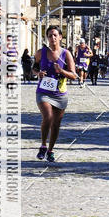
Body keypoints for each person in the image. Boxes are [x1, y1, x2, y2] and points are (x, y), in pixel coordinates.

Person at [33, 26, 77, 163]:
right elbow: (33, 68)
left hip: (60, 94)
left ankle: (51, 150)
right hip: (43, 91)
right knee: (48, 117)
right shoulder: (41, 52)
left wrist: (61, 72)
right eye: (50, 35)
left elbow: (74, 75)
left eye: (55, 35)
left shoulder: (66, 54)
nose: (52, 38)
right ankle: (43, 145)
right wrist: (37, 73)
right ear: (47, 38)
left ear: (60, 37)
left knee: (56, 124)